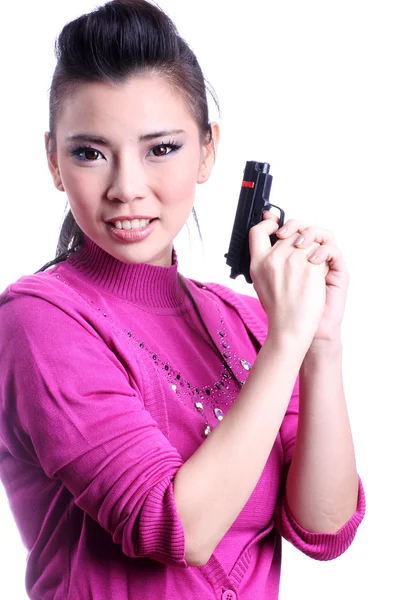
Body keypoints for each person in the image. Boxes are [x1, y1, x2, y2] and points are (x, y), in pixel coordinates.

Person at [0, 1, 365, 599]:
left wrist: (319, 343)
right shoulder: (39, 321)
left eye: (160, 149)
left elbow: (324, 528)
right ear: (53, 162)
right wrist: (285, 345)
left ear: (207, 150)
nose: (126, 188)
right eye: (90, 152)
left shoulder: (249, 322)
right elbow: (176, 527)